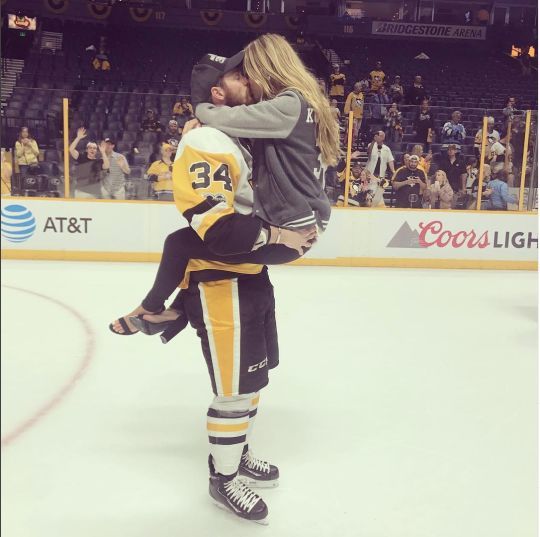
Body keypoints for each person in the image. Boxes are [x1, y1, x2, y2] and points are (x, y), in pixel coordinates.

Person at [110, 37, 340, 522]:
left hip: (251, 272)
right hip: (222, 282)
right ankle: (224, 478)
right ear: (217, 92)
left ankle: (164, 315)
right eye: (239, 76)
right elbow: (217, 228)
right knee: (234, 389)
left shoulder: (243, 131)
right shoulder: (208, 140)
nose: (249, 80)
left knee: (252, 379)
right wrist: (277, 233)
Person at [69, 127, 109, 198]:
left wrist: (103, 152)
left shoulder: (99, 161)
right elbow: (71, 149)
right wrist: (78, 138)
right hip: (81, 191)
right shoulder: (81, 157)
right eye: (90, 148)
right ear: (87, 150)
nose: (92, 149)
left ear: (96, 151)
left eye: (94, 148)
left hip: (95, 192)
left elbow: (107, 166)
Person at [343, 82, 364, 148]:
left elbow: (362, 104)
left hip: (360, 116)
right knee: (351, 130)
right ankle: (347, 143)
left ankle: (353, 143)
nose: (361, 88)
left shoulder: (361, 95)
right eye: (360, 87)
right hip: (353, 116)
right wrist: (347, 114)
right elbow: (347, 104)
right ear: (356, 88)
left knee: (356, 132)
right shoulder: (351, 95)